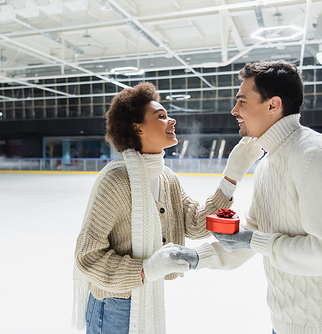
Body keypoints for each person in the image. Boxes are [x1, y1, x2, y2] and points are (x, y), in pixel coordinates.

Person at [172, 61, 322, 333]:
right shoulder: (266, 165)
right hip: (283, 321)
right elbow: (251, 238)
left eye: (242, 101)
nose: (234, 110)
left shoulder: (314, 156)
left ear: (273, 104)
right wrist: (194, 257)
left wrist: (255, 240)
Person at [72, 82, 260, 334]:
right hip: (114, 302)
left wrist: (232, 175)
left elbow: (194, 224)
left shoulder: (167, 178)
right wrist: (145, 269)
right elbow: (87, 256)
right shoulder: (116, 180)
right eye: (161, 116)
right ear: (137, 128)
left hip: (148, 294)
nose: (171, 120)